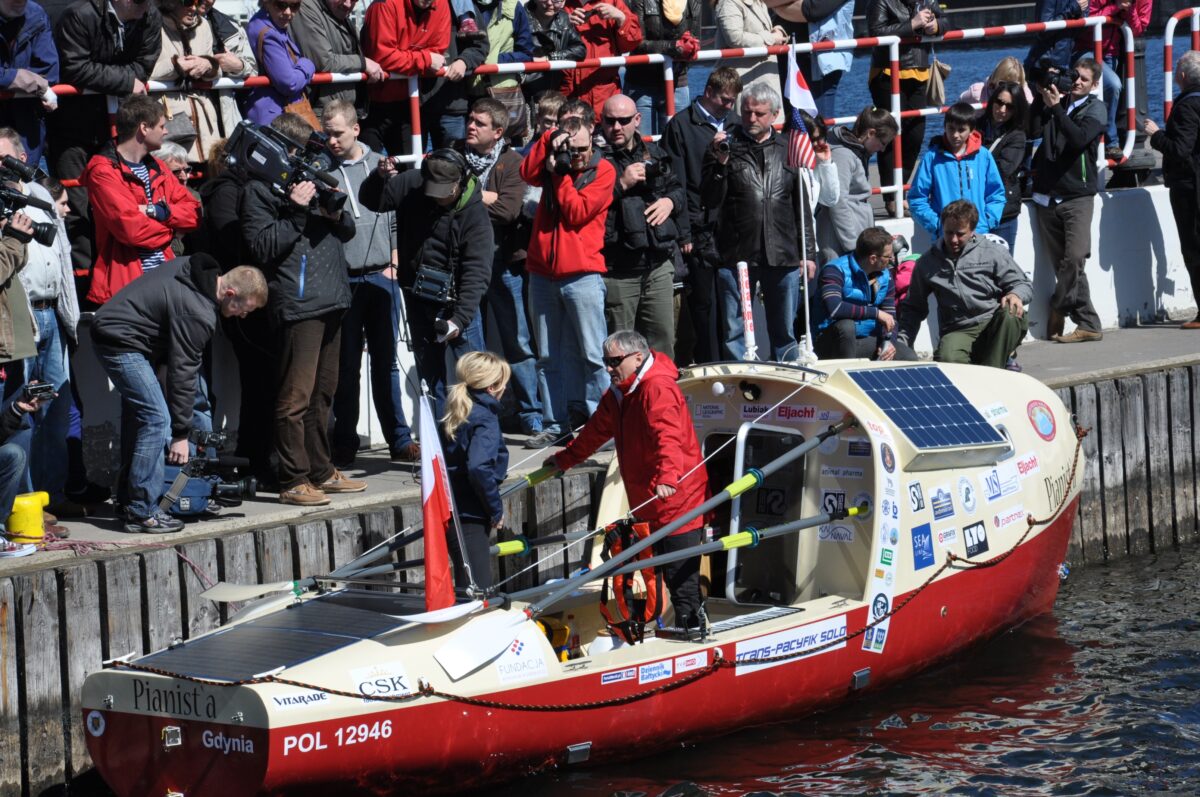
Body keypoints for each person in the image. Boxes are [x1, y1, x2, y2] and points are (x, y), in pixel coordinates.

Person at [546, 330, 709, 634]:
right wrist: (566, 459)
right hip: (649, 500)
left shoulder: (657, 388)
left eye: (614, 361)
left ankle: (694, 634)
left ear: (638, 356)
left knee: (680, 580)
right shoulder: (621, 392)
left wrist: (668, 476)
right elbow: (595, 432)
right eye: (605, 361)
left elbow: (668, 436)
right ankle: (663, 630)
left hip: (677, 500)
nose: (608, 368)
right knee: (651, 576)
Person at [90, 255, 267, 532]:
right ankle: (143, 511)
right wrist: (181, 435)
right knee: (156, 419)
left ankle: (128, 502)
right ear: (230, 293)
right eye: (245, 308)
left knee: (139, 419)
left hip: (119, 332)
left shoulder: (192, 270)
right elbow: (183, 375)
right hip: (121, 340)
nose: (244, 315)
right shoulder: (199, 312)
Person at [241, 112, 364, 507]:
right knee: (295, 397)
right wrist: (295, 209)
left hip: (333, 298)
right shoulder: (259, 191)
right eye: (298, 152)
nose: (306, 162)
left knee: (322, 394)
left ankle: (321, 471)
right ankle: (292, 478)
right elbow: (262, 248)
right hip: (298, 303)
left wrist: (334, 213)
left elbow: (346, 232)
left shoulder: (311, 182)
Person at [359, 147, 493, 414]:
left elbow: (477, 272)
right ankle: (442, 450)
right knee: (430, 381)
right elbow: (373, 200)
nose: (439, 199)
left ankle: (482, 448)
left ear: (460, 183)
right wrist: (378, 176)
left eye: (445, 193)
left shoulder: (475, 215)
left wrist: (459, 319)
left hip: (457, 306)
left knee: (476, 380)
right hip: (418, 297)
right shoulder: (412, 185)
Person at [322, 100, 419, 467]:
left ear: (355, 129)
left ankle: (399, 440)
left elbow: (396, 213)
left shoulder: (380, 164)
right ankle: (345, 440)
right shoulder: (322, 169)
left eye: (338, 133)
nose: (331, 140)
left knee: (386, 362)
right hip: (344, 279)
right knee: (346, 365)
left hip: (381, 276)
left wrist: (394, 259)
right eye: (327, 133)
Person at [701, 82, 819, 361]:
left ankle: (786, 379)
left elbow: (800, 206)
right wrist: (719, 163)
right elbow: (709, 198)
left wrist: (808, 253)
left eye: (759, 114)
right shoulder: (725, 146)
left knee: (784, 330)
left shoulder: (788, 148)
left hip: (782, 252)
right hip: (737, 253)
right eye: (746, 112)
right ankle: (740, 384)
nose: (751, 119)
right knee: (735, 329)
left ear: (774, 115)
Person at [520, 112, 615, 447]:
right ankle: (555, 423)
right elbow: (526, 173)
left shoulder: (604, 171)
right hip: (543, 273)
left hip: (583, 275)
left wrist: (559, 175)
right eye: (569, 147)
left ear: (592, 134)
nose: (574, 156)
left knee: (593, 355)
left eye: (579, 147)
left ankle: (600, 426)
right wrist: (547, 141)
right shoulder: (552, 163)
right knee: (547, 356)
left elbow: (575, 212)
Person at [51, 0, 162, 282]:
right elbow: (74, 67)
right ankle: (86, 286)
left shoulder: (150, 15)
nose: (146, 6)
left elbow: (145, 65)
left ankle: (122, 280)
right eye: (140, 1)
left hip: (118, 129)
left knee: (121, 205)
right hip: (72, 129)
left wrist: (119, 79)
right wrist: (124, 81)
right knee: (77, 209)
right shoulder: (78, 15)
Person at [0, 130, 80, 516]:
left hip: (53, 312)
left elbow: (61, 255)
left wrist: (70, 314)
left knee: (55, 412)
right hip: (22, 315)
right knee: (22, 412)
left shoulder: (40, 194)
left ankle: (53, 496)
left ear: (20, 156)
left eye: (4, 157)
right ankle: (24, 505)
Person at [458, 98, 543, 437]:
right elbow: (443, 202)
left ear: (497, 132)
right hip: (466, 266)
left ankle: (531, 413)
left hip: (505, 264)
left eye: (479, 122)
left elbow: (508, 211)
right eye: (469, 119)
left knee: (519, 342)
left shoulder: (512, 162)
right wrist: (484, 197)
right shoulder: (456, 157)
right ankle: (478, 416)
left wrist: (467, 195)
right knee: (473, 347)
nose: (470, 126)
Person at [82, 94, 203, 305]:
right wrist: (172, 228)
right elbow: (131, 230)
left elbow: (194, 214)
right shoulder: (103, 171)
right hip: (127, 285)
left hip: (165, 276)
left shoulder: (157, 166)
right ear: (144, 128)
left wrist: (157, 212)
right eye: (162, 126)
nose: (166, 131)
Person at [662, 66, 742, 365]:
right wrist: (683, 232)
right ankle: (710, 364)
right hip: (698, 228)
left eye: (733, 101)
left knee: (731, 301)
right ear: (708, 92)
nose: (728, 106)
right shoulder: (681, 126)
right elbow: (677, 182)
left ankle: (732, 363)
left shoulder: (735, 124)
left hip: (729, 229)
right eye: (724, 99)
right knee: (704, 303)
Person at [599, 93, 688, 357]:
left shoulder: (656, 154)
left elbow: (679, 191)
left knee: (662, 344)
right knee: (619, 352)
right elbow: (584, 205)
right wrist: (621, 184)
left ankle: (661, 397)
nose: (617, 127)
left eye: (624, 120)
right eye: (610, 121)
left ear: (637, 120)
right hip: (617, 270)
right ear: (601, 122)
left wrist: (670, 202)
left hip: (658, 266)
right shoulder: (593, 161)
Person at [898, 199, 1031, 368]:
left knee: (1012, 313)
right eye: (948, 232)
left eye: (960, 234)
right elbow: (913, 307)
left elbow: (1023, 283)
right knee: (948, 360)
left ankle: (994, 371)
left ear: (972, 231)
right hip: (958, 328)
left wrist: (1016, 294)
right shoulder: (927, 262)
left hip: (992, 321)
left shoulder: (992, 252)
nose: (953, 239)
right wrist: (903, 344)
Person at [1030, 56, 1105, 344]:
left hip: (1078, 196)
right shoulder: (1055, 101)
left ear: (1094, 84)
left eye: (1084, 79)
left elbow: (1078, 138)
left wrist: (1057, 109)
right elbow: (1034, 129)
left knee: (1074, 258)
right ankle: (1089, 323)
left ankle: (1058, 307)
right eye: (1075, 76)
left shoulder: (1096, 108)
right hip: (1046, 195)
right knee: (1065, 265)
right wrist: (1043, 93)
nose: (1076, 82)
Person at [866, 0, 947, 215]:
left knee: (915, 136)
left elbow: (949, 21)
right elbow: (875, 31)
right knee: (890, 136)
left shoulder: (927, 0)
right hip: (886, 74)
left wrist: (936, 26)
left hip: (919, 73)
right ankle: (892, 197)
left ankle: (901, 189)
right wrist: (912, 24)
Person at [442, 351, 511, 592]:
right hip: (470, 515)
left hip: (450, 509)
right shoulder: (485, 419)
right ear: (492, 387)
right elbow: (478, 467)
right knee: (477, 590)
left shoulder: (455, 410)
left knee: (466, 583)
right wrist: (495, 509)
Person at [150, 0, 243, 163]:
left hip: (206, 123)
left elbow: (217, 71)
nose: (194, 8)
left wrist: (209, 64)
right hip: (169, 119)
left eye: (198, 1)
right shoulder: (150, 24)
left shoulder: (203, 25)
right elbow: (140, 71)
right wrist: (175, 65)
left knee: (208, 177)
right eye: (187, 2)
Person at [1146, 51, 1200, 330]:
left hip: (1190, 190)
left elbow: (1180, 150)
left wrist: (1156, 134)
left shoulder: (1187, 107)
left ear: (1181, 76)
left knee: (1193, 248)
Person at [359, 0, 450, 157]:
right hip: (372, 103)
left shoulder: (441, 4)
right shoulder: (385, 4)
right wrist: (425, 59)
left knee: (412, 169)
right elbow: (383, 56)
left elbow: (438, 52)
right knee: (371, 169)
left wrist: (405, 58)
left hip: (410, 101)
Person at [813, 227, 916, 361]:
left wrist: (887, 342)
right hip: (832, 343)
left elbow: (890, 317)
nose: (891, 259)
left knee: (908, 357)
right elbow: (835, 308)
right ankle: (847, 376)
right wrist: (876, 313)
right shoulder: (834, 271)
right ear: (873, 258)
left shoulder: (886, 276)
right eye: (887, 256)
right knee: (846, 326)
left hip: (864, 340)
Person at [907, 101, 1007, 240]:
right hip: (946, 236)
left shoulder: (983, 156)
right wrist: (937, 225)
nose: (955, 135)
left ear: (971, 130)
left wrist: (987, 221)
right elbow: (917, 198)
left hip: (978, 233)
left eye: (961, 130)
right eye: (951, 128)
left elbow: (996, 194)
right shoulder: (932, 158)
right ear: (944, 127)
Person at [818, 105, 897, 263]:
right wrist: (853, 246)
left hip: (852, 233)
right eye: (882, 143)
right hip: (840, 240)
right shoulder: (844, 156)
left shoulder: (856, 153)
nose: (883, 149)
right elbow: (838, 202)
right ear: (871, 133)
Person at [1074, 0, 1151, 154]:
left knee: (1104, 93)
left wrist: (1129, 9)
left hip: (1110, 52)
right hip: (1086, 48)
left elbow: (1137, 30)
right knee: (1113, 85)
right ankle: (1110, 141)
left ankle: (1096, 140)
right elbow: (1086, 21)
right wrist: (1115, 7)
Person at [290, 0, 386, 116]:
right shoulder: (306, 9)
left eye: (354, 0)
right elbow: (324, 61)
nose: (348, 4)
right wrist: (363, 63)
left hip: (343, 112)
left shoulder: (337, 13)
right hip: (322, 115)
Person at [623, 0, 701, 136]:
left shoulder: (693, 1)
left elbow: (695, 37)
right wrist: (674, 46)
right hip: (641, 84)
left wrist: (691, 45)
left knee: (677, 143)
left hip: (677, 82)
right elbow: (636, 42)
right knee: (643, 145)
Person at [0, 0, 58, 168]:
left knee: (26, 187)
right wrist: (28, 80)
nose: (20, 2)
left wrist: (9, 79)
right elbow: (40, 80)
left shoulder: (36, 14)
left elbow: (50, 72)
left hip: (27, 129)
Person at [560, 0, 642, 116]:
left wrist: (621, 18)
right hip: (568, 92)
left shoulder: (613, 2)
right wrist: (563, 21)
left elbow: (632, 42)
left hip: (603, 96)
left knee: (607, 129)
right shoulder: (560, 3)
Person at [245, 0, 316, 127]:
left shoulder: (273, 25)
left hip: (277, 114)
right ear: (266, 3)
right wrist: (308, 65)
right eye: (281, 5)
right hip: (276, 118)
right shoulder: (268, 33)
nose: (288, 12)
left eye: (295, 6)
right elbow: (289, 83)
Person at [980, 82, 1029, 253]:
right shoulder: (975, 125)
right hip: (974, 208)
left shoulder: (1017, 136)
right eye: (999, 102)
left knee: (1002, 268)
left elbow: (1003, 171)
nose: (1002, 109)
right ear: (992, 100)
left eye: (1009, 106)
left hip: (1003, 212)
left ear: (1017, 110)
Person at [714, 0, 784, 109]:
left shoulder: (758, 2)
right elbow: (735, 38)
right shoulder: (729, 2)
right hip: (744, 80)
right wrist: (771, 38)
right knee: (748, 121)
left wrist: (776, 33)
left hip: (760, 78)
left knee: (767, 120)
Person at [522, 0, 585, 103]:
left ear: (564, 2)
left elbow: (580, 50)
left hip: (554, 93)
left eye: (556, 0)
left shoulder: (563, 18)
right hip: (523, 92)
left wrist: (550, 58)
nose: (550, 3)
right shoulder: (521, 16)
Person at [958, 56, 1035, 108]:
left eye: (1013, 85)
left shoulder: (1023, 91)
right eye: (1002, 84)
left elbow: (1030, 107)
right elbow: (959, 107)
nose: (1007, 90)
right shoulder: (977, 94)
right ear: (995, 81)